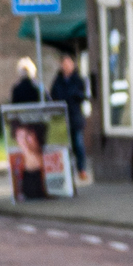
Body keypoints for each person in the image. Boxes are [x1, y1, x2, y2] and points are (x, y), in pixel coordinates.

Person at [50, 51, 90, 183]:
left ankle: (81, 169)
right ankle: (68, 171)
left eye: (69, 63)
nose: (66, 66)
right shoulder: (58, 80)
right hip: (62, 119)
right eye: (64, 63)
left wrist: (73, 95)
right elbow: (53, 96)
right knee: (67, 146)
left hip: (75, 118)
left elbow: (83, 95)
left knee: (78, 144)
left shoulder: (78, 79)